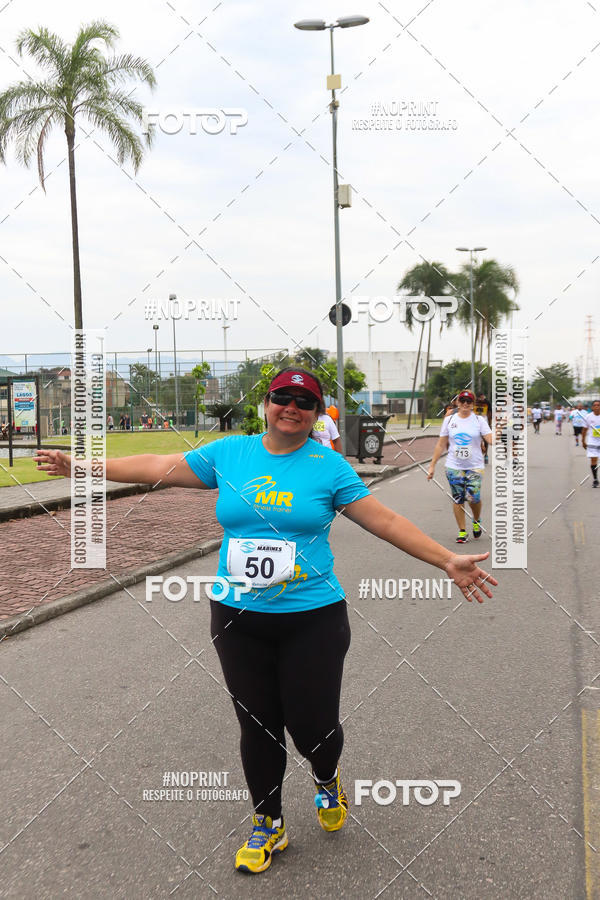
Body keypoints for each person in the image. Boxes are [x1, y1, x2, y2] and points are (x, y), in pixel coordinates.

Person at [34, 366, 497, 875]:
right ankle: (268, 822)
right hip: (238, 618)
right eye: (282, 397)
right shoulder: (231, 454)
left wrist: (445, 559)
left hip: (312, 617)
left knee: (313, 727)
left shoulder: (328, 466)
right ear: (267, 404)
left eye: (304, 401)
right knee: (257, 725)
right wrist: (83, 465)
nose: (291, 408)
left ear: (317, 413)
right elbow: (159, 465)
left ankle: (326, 777)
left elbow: (384, 520)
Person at [427, 389, 493, 543]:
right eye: (462, 400)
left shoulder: (479, 420)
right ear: (457, 402)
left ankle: (476, 520)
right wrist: (432, 466)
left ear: (473, 404)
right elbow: (441, 444)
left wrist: (498, 434)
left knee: (473, 498)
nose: (465, 403)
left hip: (475, 466)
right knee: (458, 498)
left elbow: (490, 439)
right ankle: (462, 531)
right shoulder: (449, 420)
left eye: (469, 401)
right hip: (453, 466)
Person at [582, 399, 600, 488]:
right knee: (593, 460)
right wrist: (583, 441)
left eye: (598, 405)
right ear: (592, 407)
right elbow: (584, 429)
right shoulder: (588, 417)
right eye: (595, 405)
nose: (597, 407)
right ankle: (595, 479)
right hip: (592, 441)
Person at [475, 391, 492, 464]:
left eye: (483, 397)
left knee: (486, 439)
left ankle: (486, 455)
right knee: (476, 438)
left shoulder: (487, 402)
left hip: (485, 422)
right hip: (475, 423)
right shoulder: (474, 402)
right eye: (480, 397)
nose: (482, 399)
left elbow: (490, 413)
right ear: (477, 398)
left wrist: (490, 424)